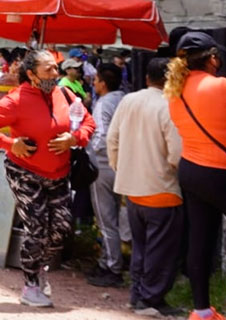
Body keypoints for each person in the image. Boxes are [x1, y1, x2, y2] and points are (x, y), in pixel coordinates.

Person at [0, 49, 96, 308]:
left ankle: (39, 266)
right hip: (24, 173)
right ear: (31, 74)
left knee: (62, 229)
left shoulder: (64, 93)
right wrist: (10, 143)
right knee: (37, 227)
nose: (56, 73)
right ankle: (30, 284)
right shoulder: (17, 99)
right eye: (49, 69)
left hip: (59, 174)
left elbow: (88, 121)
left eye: (56, 68)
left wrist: (75, 138)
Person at [164, 32, 226, 320]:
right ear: (213, 58)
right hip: (224, 176)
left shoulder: (175, 90)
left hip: (192, 171)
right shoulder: (223, 87)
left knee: (200, 242)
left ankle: (202, 311)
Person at [107, 58, 184, 317]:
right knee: (160, 251)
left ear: (147, 78)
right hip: (161, 189)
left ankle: (137, 295)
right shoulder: (170, 105)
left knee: (140, 247)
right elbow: (177, 152)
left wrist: (121, 168)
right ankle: (151, 299)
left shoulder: (129, 100)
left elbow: (112, 138)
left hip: (133, 190)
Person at [86, 63, 127, 288]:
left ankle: (113, 267)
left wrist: (87, 152)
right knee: (118, 218)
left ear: (102, 83)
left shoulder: (103, 104)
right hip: (124, 165)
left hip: (102, 165)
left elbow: (101, 136)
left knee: (105, 219)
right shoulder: (125, 98)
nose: (93, 83)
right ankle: (107, 261)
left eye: (96, 80)